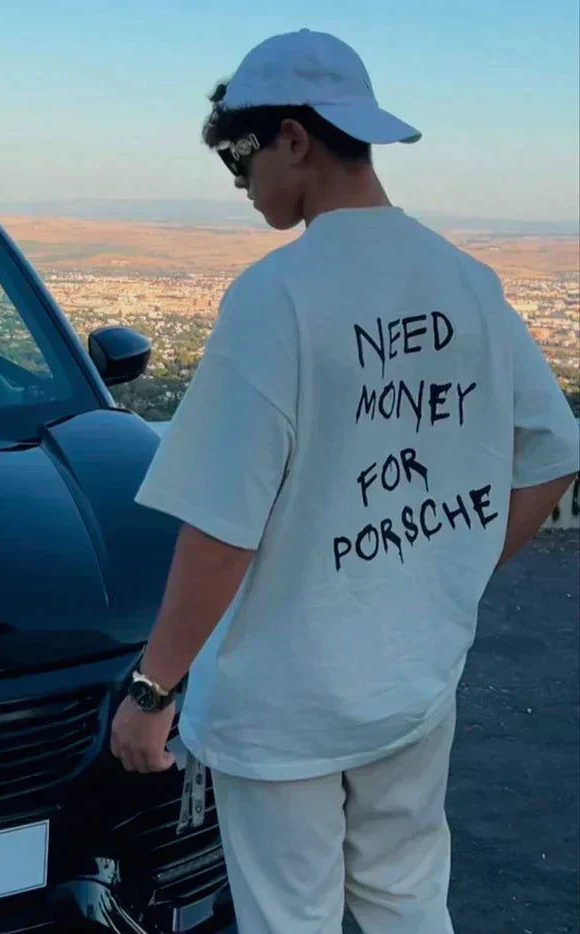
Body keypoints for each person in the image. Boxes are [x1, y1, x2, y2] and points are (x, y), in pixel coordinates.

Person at [110, 29, 579, 934]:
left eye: (239, 156)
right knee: (408, 897)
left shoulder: (277, 296)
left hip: (281, 704)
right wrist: (451, 575)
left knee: (292, 916)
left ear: (294, 138)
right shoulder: (467, 281)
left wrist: (152, 692)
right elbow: (553, 450)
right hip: (413, 678)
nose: (239, 183)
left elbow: (221, 527)